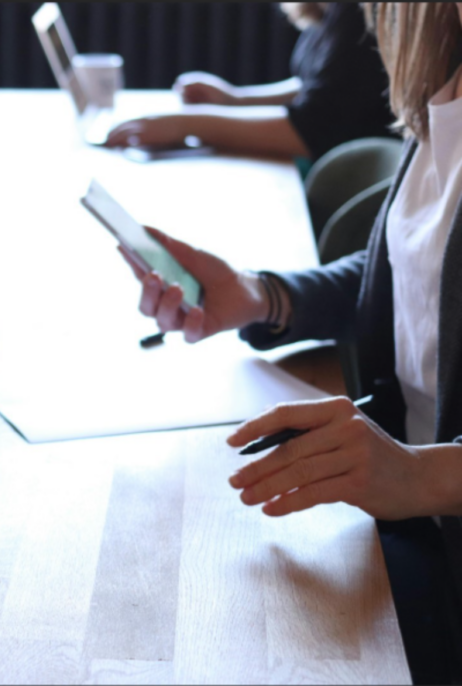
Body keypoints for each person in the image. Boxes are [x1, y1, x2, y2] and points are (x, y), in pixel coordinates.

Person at [117, 2, 461, 680]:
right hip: (406, 528)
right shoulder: (444, 83)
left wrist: (422, 475)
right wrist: (261, 295)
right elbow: (416, 262)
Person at [105, 3, 395, 161]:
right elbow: (318, 87)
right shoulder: (333, 10)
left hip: (339, 187)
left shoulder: (360, 15)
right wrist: (236, 99)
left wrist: (186, 124)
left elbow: (310, 130)